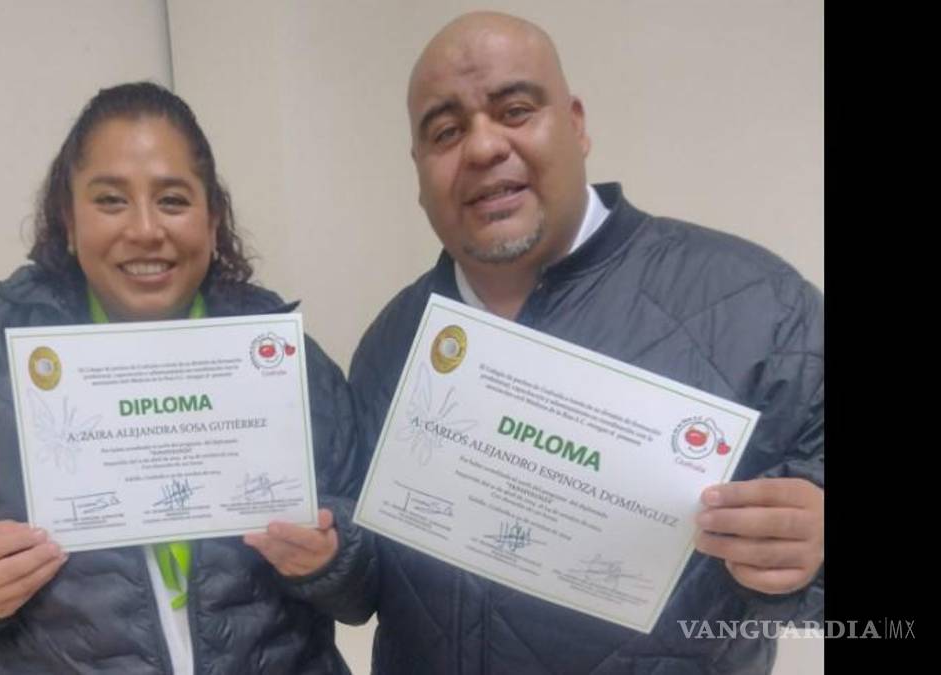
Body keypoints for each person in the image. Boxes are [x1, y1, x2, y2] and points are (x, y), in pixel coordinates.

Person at [348, 12, 823, 674]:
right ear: (419, 170)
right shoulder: (391, 342)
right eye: (446, 132)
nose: (482, 147)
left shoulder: (763, 308)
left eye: (515, 110)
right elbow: (366, 578)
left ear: (575, 124)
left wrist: (815, 552)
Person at [0, 81, 374, 674]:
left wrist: (333, 557)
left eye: (172, 200)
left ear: (212, 220)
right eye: (111, 200)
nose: (144, 229)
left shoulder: (289, 365)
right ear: (68, 219)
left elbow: (375, 577)